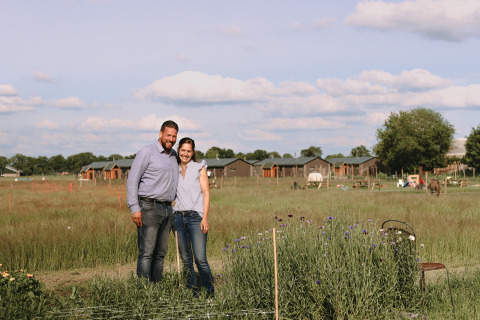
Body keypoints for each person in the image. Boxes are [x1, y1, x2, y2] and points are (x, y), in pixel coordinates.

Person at [126, 120, 179, 283]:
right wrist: (135, 208)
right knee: (147, 253)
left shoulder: (174, 156)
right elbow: (132, 180)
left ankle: (156, 289)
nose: (171, 139)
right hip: (148, 207)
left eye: (174, 136)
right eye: (168, 135)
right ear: (160, 134)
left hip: (167, 209)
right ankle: (143, 291)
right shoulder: (147, 152)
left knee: (160, 254)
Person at [173, 137, 214, 297]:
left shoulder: (199, 168)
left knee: (200, 259)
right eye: (183, 150)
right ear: (178, 150)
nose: (185, 153)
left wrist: (205, 218)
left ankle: (209, 294)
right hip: (178, 218)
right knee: (186, 260)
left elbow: (206, 193)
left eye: (188, 151)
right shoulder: (173, 169)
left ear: (193, 152)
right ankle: (191, 294)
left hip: (196, 218)